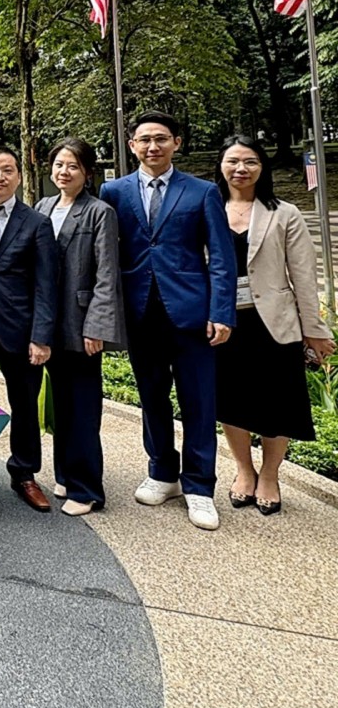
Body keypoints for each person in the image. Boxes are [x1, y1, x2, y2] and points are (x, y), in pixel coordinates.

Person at [100, 111, 236, 531]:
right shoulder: (113, 191)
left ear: (177, 142)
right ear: (131, 146)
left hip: (192, 313)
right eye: (144, 140)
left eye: (161, 139)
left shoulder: (203, 191)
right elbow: (105, 254)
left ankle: (199, 486)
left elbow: (222, 257)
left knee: (199, 401)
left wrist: (221, 311)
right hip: (140, 312)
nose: (152, 147)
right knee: (153, 397)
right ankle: (162, 472)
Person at [214, 135, 332, 515]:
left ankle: (269, 474)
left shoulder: (284, 213)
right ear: (221, 165)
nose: (241, 169)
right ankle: (243, 470)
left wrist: (314, 329)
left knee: (277, 402)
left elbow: (303, 273)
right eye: (233, 161)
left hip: (274, 323)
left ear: (261, 168)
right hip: (223, 322)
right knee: (231, 399)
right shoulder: (208, 209)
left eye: (250, 162)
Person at [0, 147, 58, 510]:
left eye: (7, 170)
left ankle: (24, 474)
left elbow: (46, 285)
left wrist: (41, 337)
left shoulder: (35, 222)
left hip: (20, 329)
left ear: (19, 175)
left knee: (23, 404)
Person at [36, 138, 125, 516]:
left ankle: (87, 488)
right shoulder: (42, 207)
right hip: (48, 323)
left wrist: (98, 327)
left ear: (87, 172)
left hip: (81, 323)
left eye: (72, 165)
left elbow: (107, 274)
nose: (64, 172)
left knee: (83, 408)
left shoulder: (99, 212)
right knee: (60, 406)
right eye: (58, 164)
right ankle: (65, 474)